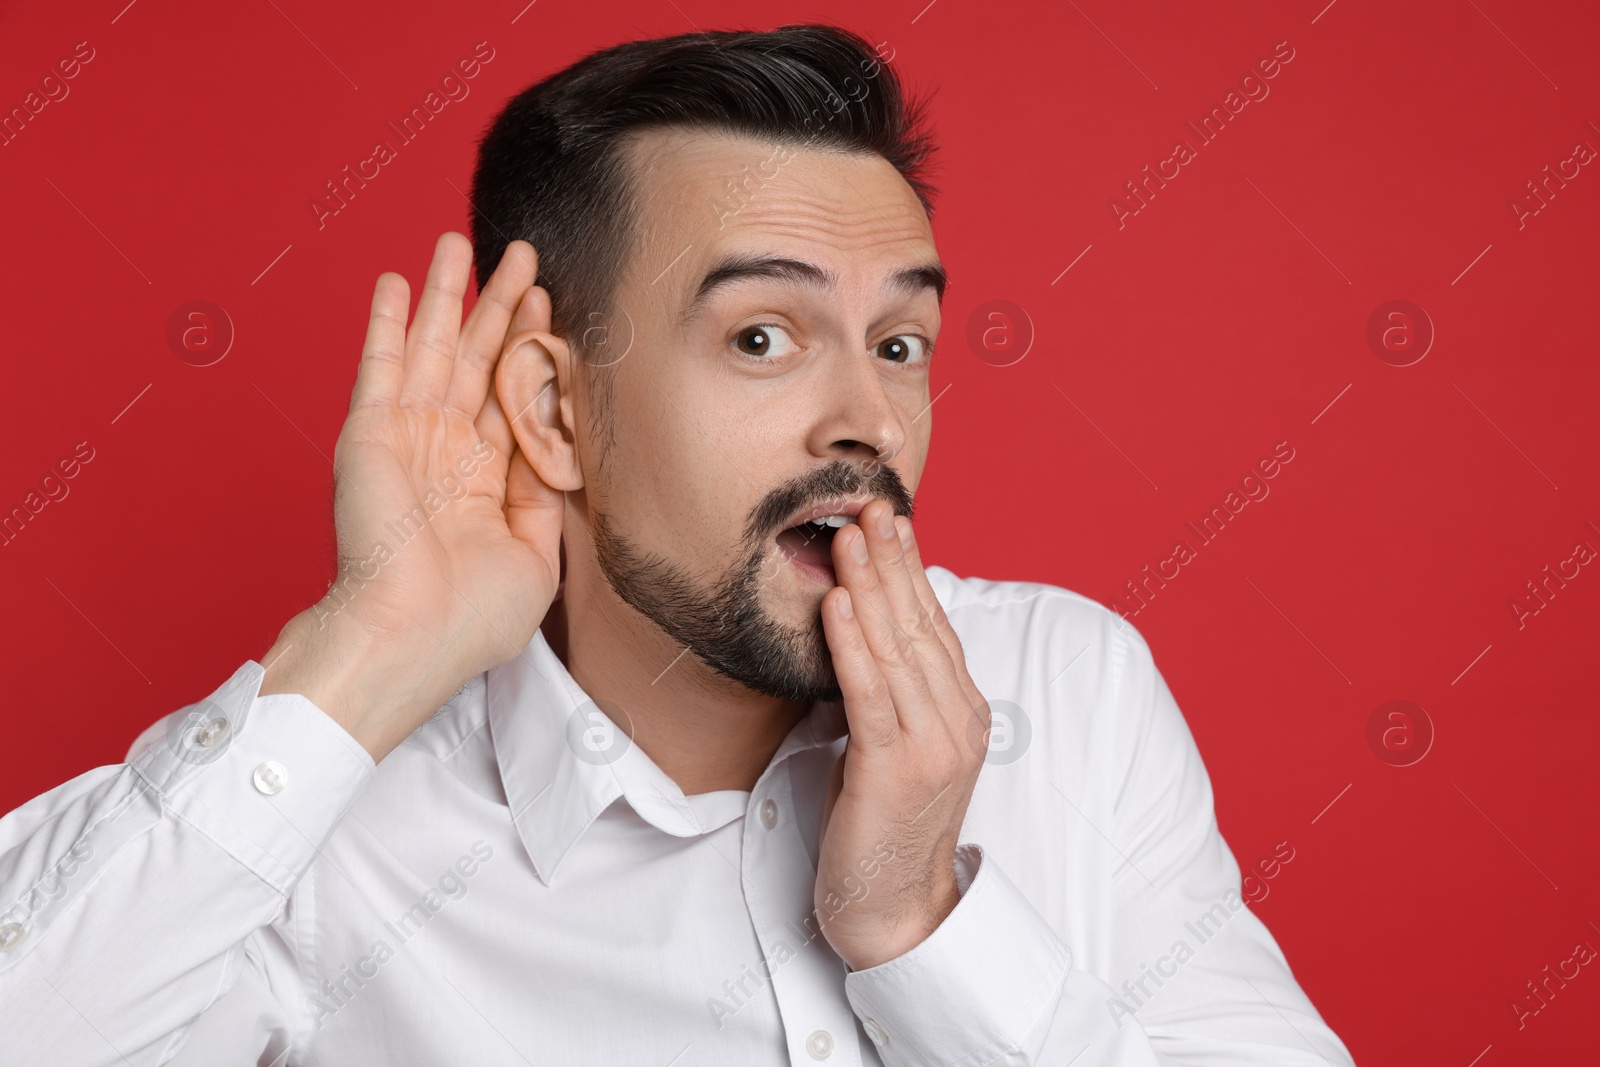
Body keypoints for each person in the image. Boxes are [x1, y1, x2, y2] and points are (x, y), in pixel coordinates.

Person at [0, 23, 1356, 1067]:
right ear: (554, 406)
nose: (866, 418)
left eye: (900, 343)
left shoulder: (1066, 688)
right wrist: (361, 656)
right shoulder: (335, 829)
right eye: (762, 336)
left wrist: (921, 927)